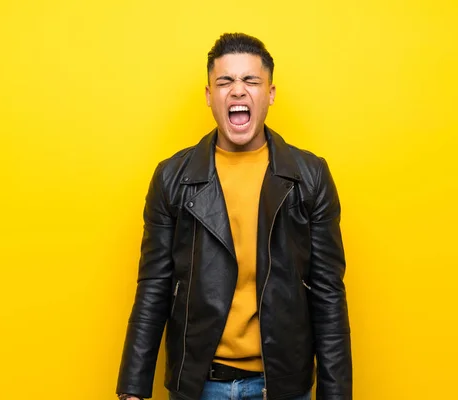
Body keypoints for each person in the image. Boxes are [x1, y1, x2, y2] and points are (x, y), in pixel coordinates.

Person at [116, 32, 352, 400]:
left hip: (282, 386)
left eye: (250, 81)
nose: (238, 90)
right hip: (199, 385)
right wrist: (133, 388)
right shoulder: (172, 178)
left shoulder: (310, 176)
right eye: (225, 81)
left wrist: (335, 395)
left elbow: (328, 293)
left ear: (270, 94)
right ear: (210, 95)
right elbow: (154, 287)